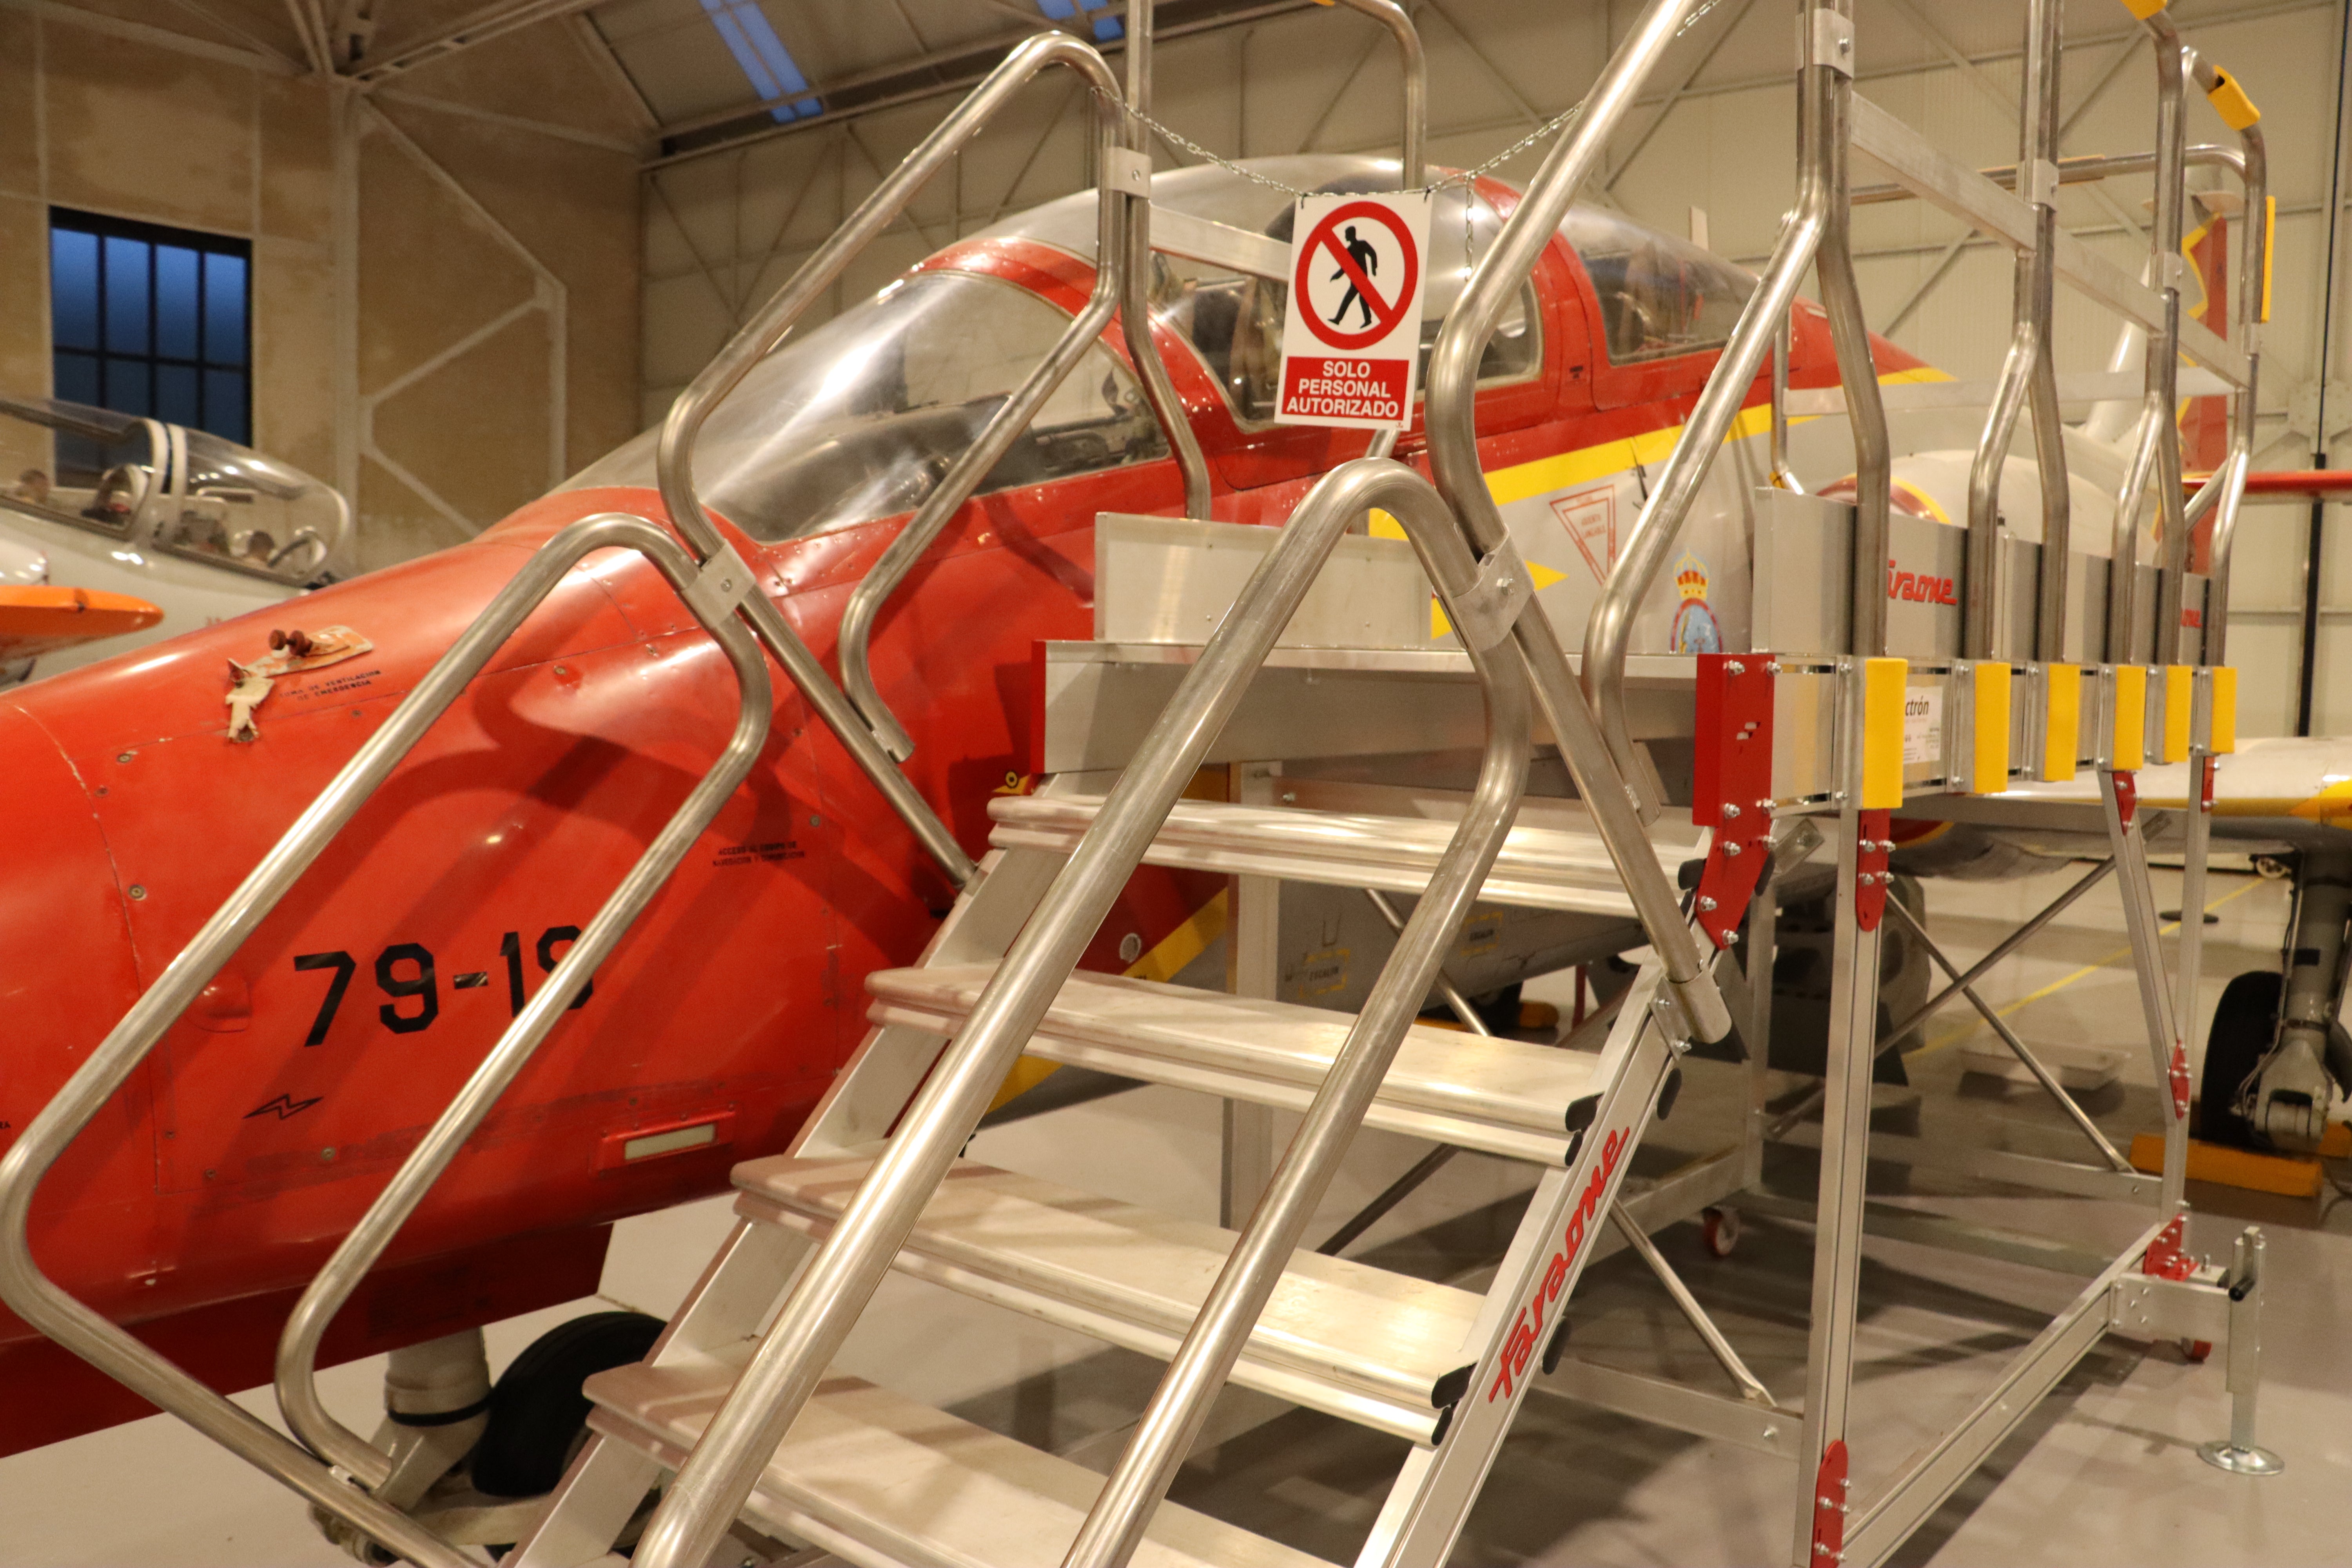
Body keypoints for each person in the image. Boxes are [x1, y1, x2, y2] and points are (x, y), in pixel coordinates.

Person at [1327, 224, 1381, 330]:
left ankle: (1339, 319)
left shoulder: (1362, 244)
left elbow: (1373, 254)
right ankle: (1368, 320)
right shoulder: (1349, 250)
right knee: (1362, 299)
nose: (1345, 236)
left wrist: (1374, 268)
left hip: (1361, 279)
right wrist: (1336, 276)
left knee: (1350, 299)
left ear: (1351, 235)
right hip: (1356, 280)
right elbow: (1345, 267)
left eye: (1346, 234)